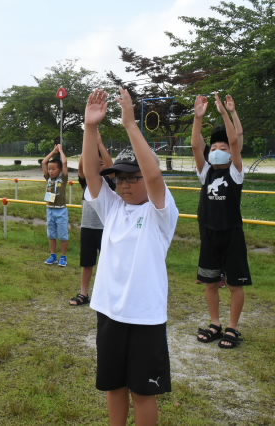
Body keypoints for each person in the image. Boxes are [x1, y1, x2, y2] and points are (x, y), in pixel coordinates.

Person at [83, 88, 179, 426]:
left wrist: (130, 125)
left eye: (131, 178)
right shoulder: (113, 208)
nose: (124, 185)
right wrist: (90, 129)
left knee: (142, 392)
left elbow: (153, 176)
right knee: (114, 386)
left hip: (145, 317)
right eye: (120, 178)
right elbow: (92, 175)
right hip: (110, 311)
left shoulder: (160, 213)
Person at [192, 93, 251, 349]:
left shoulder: (235, 173)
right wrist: (198, 118)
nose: (217, 151)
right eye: (214, 148)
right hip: (209, 235)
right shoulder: (205, 173)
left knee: (235, 284)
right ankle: (215, 323)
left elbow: (235, 141)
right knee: (210, 282)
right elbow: (196, 146)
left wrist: (227, 112)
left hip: (232, 235)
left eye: (222, 149)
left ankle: (233, 328)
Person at [70, 134, 113, 306]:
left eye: (101, 162)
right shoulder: (87, 182)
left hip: (106, 228)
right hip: (88, 227)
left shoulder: (109, 182)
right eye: (97, 162)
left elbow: (110, 165)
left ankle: (107, 294)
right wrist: (87, 144)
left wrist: (100, 144)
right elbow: (81, 168)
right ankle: (83, 293)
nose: (100, 164)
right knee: (87, 263)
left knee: (108, 263)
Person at [42, 143, 69, 267]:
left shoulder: (62, 178)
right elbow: (44, 162)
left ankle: (63, 257)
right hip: (50, 209)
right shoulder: (48, 178)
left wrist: (61, 151)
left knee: (63, 234)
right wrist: (53, 151)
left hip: (61, 210)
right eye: (49, 169)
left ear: (59, 170)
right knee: (51, 234)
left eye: (53, 169)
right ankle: (53, 255)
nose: (50, 171)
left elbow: (64, 163)